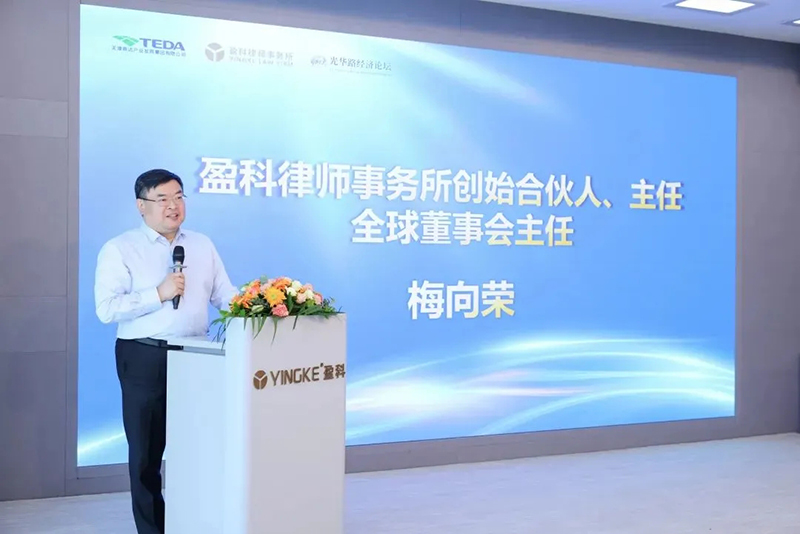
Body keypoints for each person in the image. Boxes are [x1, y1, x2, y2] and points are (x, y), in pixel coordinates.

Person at [94, 168, 238, 534]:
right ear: (141, 206)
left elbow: (225, 294)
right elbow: (107, 309)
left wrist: (263, 307)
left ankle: (197, 522)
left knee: (198, 448)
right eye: (162, 199)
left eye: (178, 197)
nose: (173, 206)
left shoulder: (202, 244)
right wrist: (158, 293)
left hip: (198, 358)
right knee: (146, 454)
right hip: (145, 357)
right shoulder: (120, 248)